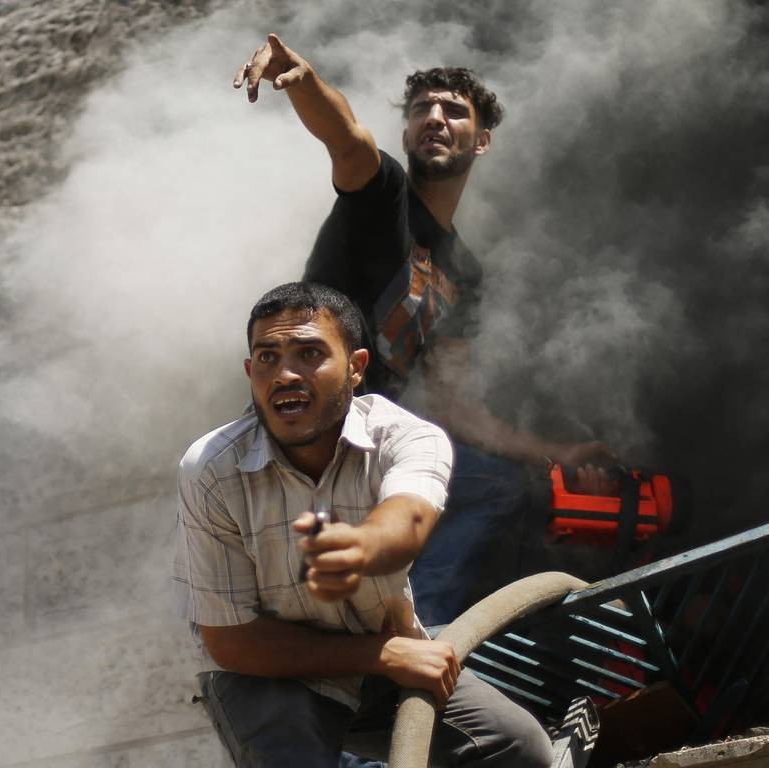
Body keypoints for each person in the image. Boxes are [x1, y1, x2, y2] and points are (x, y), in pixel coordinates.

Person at [234, 36, 616, 628]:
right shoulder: (383, 195)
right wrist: (304, 81)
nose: (434, 118)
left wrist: (557, 456)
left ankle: (433, 635)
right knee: (484, 489)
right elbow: (348, 138)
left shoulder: (465, 275)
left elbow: (451, 402)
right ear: (409, 135)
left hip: (373, 444)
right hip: (312, 428)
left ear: (481, 139)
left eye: (454, 110)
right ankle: (418, 640)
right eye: (421, 110)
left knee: (501, 486)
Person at [172, 282, 553, 767]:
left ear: (356, 368)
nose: (284, 374)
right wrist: (381, 655)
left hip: (386, 655)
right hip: (268, 671)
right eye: (267, 358)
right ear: (250, 373)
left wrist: (362, 546)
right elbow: (232, 642)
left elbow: (410, 517)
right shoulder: (210, 469)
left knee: (518, 747)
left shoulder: (408, 436)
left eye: (309, 353)